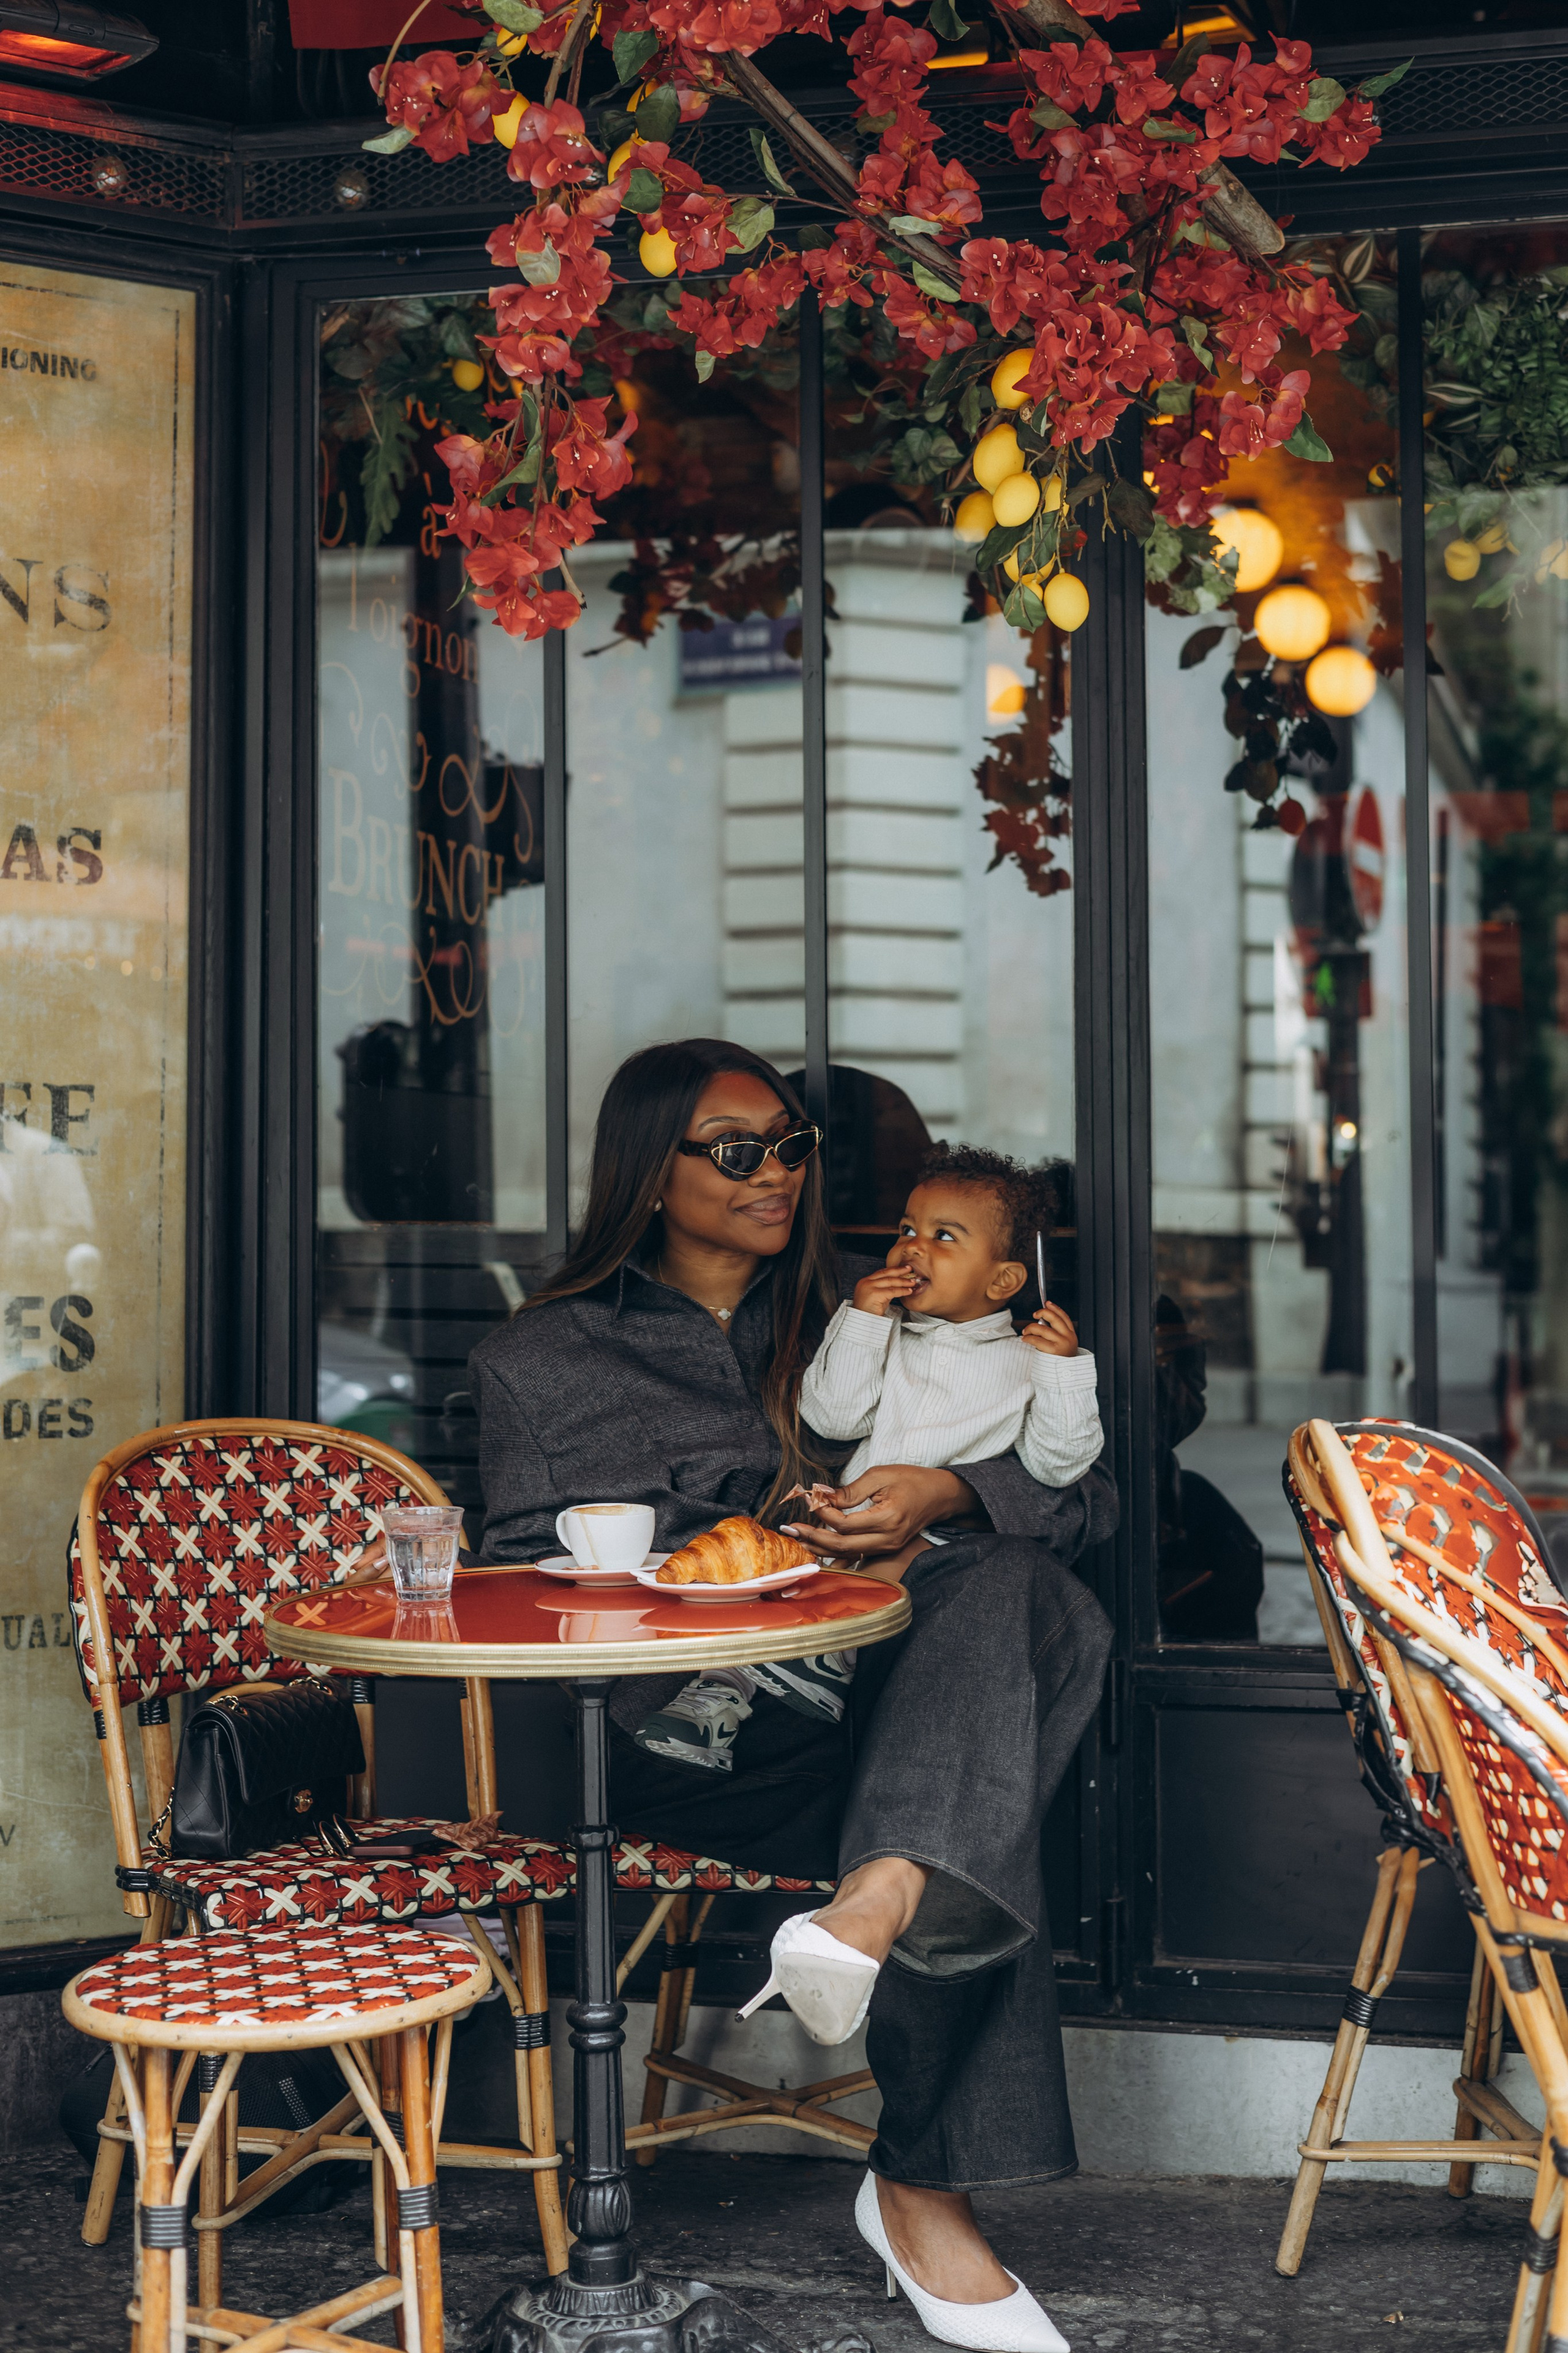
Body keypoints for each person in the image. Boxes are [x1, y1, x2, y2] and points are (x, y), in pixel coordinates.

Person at [469, 1038, 1116, 2352]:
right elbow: (526, 1582)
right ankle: (921, 2184)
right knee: (975, 1763)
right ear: (650, 1173)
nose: (776, 1172)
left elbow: (1089, 1502)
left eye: (792, 1145)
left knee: (1019, 1595)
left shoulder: (873, 1315)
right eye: (736, 1149)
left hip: (878, 1713)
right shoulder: (542, 1358)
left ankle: (871, 1910)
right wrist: (723, 1558)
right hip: (690, 1733)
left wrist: (944, 1493)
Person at [633, 1143, 1103, 1772]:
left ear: (1003, 1281)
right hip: (846, 1522)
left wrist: (1063, 1370)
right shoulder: (883, 1332)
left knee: (871, 1574)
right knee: (773, 1586)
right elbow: (833, 1417)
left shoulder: (1028, 1360)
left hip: (951, 1545)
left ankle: (822, 1660)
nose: (912, 1247)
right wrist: (862, 1319)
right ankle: (711, 1705)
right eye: (907, 1229)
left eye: (943, 1236)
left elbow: (1058, 1465)